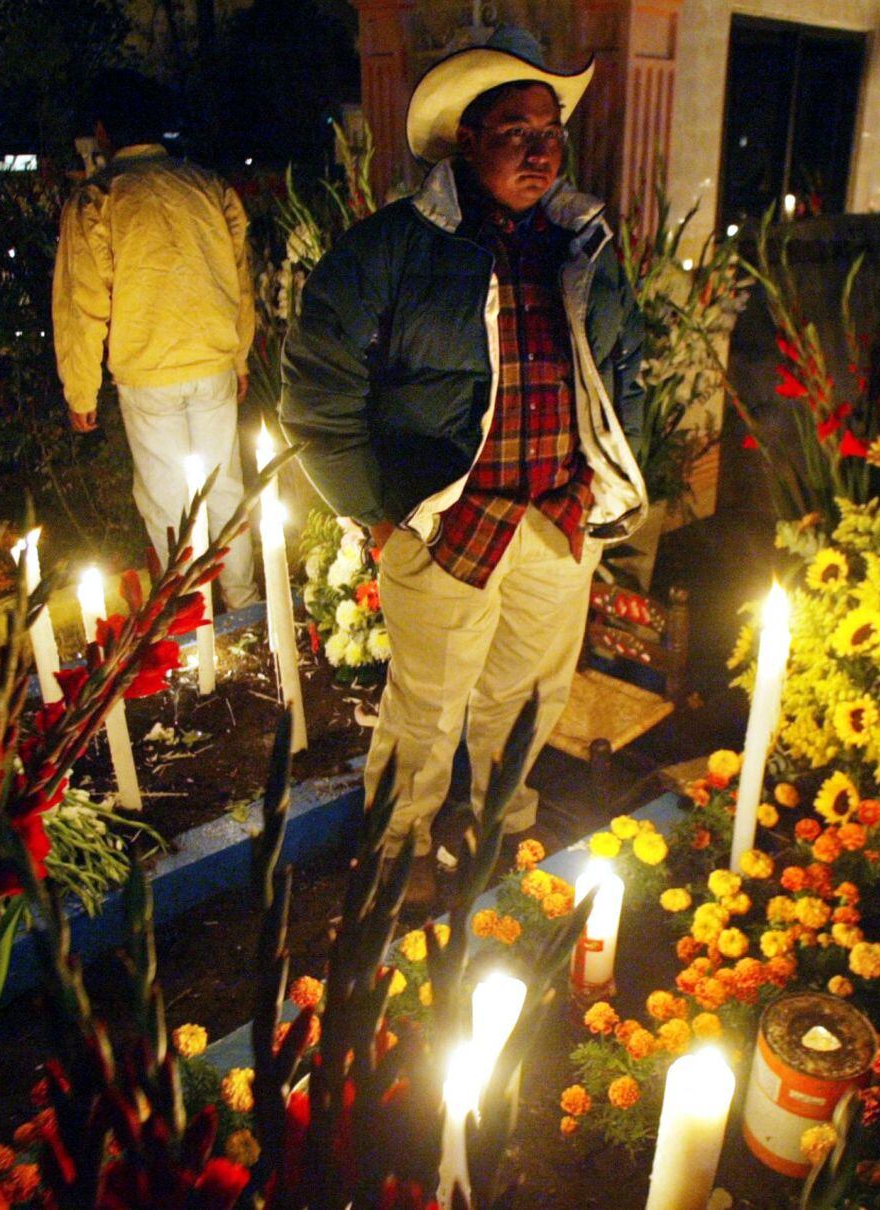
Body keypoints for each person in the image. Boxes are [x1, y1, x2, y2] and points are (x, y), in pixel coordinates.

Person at [280, 28, 647, 904]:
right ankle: (396, 848)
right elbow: (318, 389)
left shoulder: (581, 243)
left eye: (549, 127)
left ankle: (503, 825)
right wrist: (375, 511)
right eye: (515, 128)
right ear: (466, 141)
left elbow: (627, 362)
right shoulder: (392, 249)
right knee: (427, 704)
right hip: (449, 521)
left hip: (556, 514)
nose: (539, 145)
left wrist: (613, 475)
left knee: (525, 695)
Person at [53, 69, 259, 606]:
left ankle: (190, 613)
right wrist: (238, 359)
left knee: (168, 500)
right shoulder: (206, 186)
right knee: (225, 488)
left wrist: (81, 390)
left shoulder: (99, 200)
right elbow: (240, 281)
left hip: (148, 373)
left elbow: (81, 304)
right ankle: (243, 600)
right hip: (212, 362)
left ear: (102, 133)